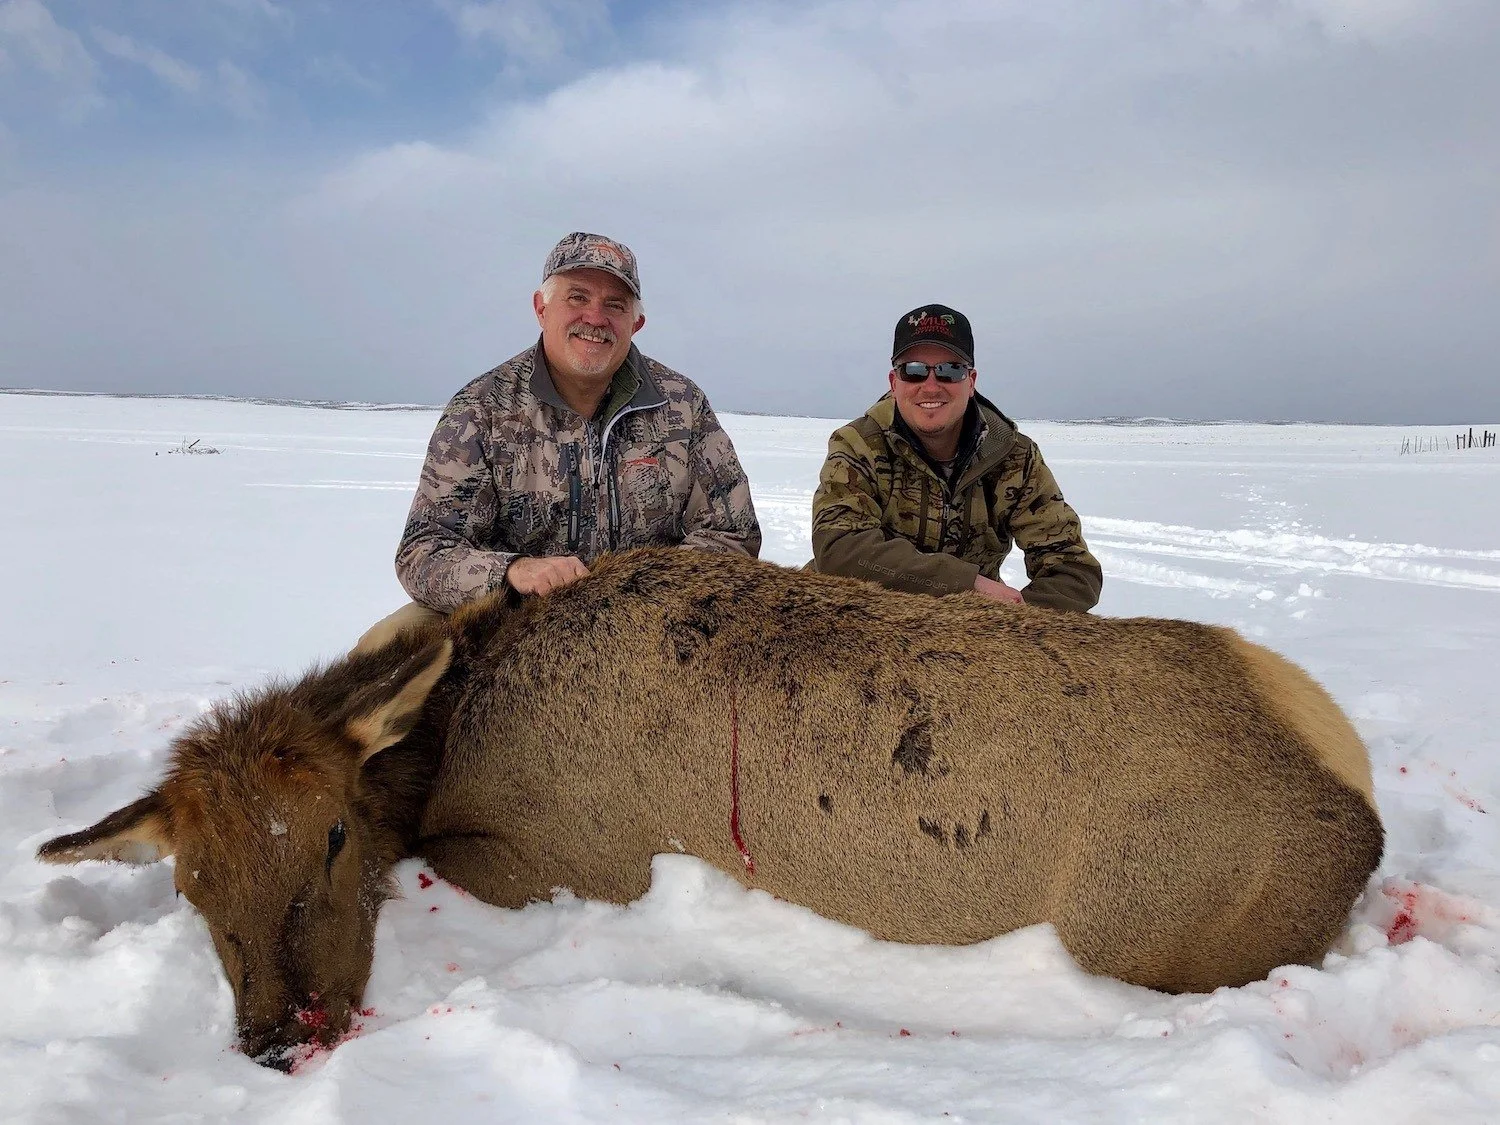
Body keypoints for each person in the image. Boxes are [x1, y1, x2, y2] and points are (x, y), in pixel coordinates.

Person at [359, 233, 761, 650]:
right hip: (514, 618)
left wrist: (643, 591)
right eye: (577, 298)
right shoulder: (481, 409)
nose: (596, 318)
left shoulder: (683, 405)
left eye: (615, 305)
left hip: (656, 622)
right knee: (383, 647)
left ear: (635, 323)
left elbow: (733, 532)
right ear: (541, 308)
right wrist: (513, 574)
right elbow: (423, 551)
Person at [810, 304, 1101, 612]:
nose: (931, 386)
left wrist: (1017, 619)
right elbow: (839, 547)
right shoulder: (859, 444)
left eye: (950, 371)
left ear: (971, 381)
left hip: (971, 632)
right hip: (860, 617)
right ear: (895, 383)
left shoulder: (1015, 457)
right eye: (914, 370)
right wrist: (967, 585)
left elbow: (1074, 571)